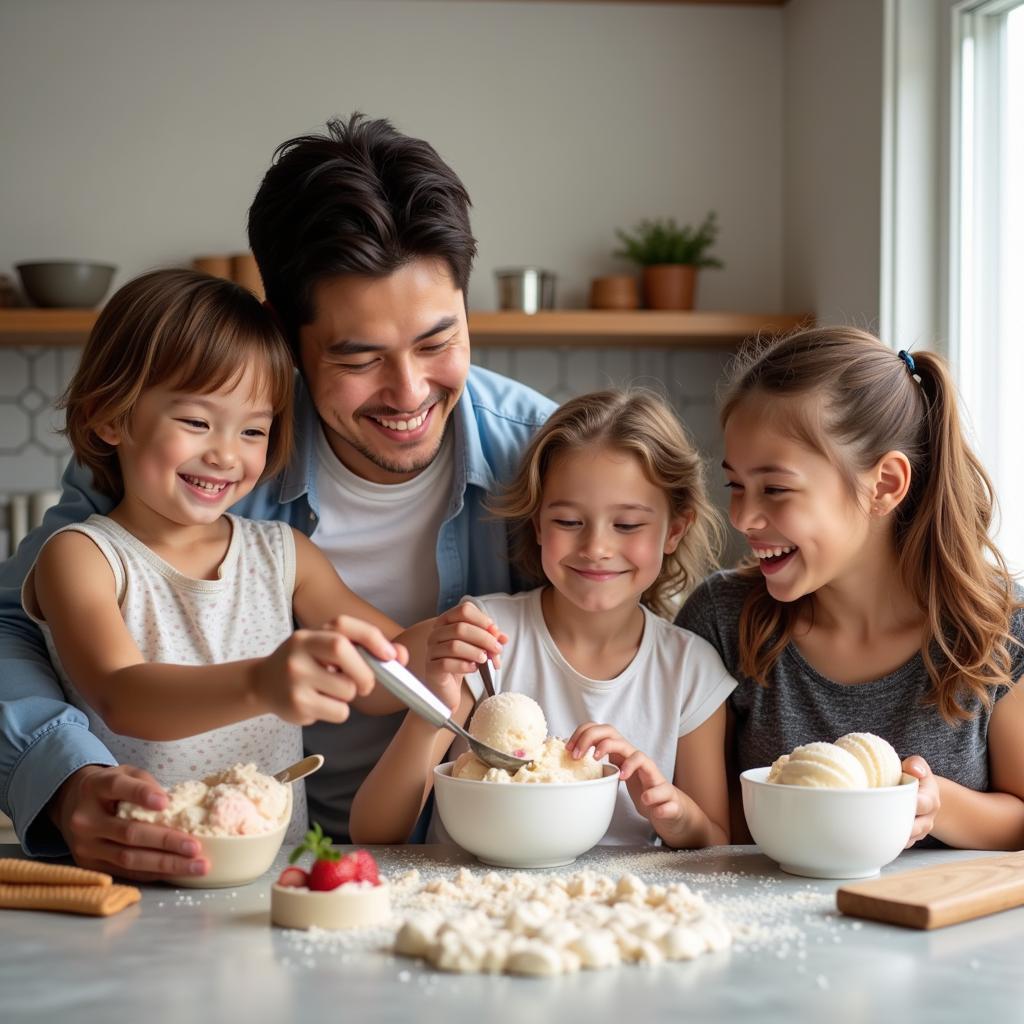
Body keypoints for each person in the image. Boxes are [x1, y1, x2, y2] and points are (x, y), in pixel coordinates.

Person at [0, 114, 555, 876]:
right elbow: (16, 628)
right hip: (239, 869)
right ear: (285, 339)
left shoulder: (552, 456)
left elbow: (391, 661)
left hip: (475, 867)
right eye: (360, 357)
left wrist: (434, 653)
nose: (409, 392)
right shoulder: (147, 471)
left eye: (437, 341)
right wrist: (64, 780)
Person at [21, 268, 411, 852]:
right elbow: (124, 697)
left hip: (272, 874)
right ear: (110, 416)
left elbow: (384, 679)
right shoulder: (82, 558)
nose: (226, 454)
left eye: (253, 430)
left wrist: (434, 655)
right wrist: (262, 683)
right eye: (197, 422)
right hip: (142, 869)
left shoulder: (284, 555)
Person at [676, 326, 1024, 849]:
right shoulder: (720, 620)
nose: (743, 517)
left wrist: (935, 802)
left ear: (884, 485)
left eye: (775, 488)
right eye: (737, 485)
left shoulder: (999, 629)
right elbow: (710, 834)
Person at [351, 389, 738, 848]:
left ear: (674, 529)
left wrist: (674, 814)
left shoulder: (690, 670)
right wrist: (430, 708)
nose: (596, 547)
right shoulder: (485, 638)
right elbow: (373, 833)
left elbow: (715, 845)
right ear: (538, 525)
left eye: (628, 525)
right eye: (569, 522)